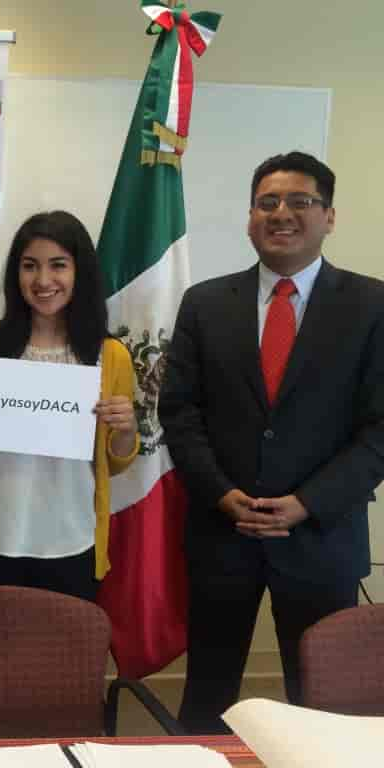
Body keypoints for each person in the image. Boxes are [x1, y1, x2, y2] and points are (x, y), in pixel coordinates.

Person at [159, 151, 384, 733]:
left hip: (321, 536)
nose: (282, 213)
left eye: (300, 201)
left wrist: (308, 502)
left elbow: (380, 429)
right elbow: (180, 413)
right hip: (222, 533)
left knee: (322, 708)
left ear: (329, 216)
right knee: (208, 700)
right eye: (268, 202)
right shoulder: (206, 304)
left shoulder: (372, 305)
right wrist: (221, 494)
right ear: (250, 216)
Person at [0, 211, 139, 602]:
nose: (43, 281)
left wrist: (127, 428)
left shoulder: (111, 356)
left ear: (80, 272)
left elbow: (115, 463)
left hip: (72, 541)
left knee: (57, 661)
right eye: (29, 266)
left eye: (58, 265)